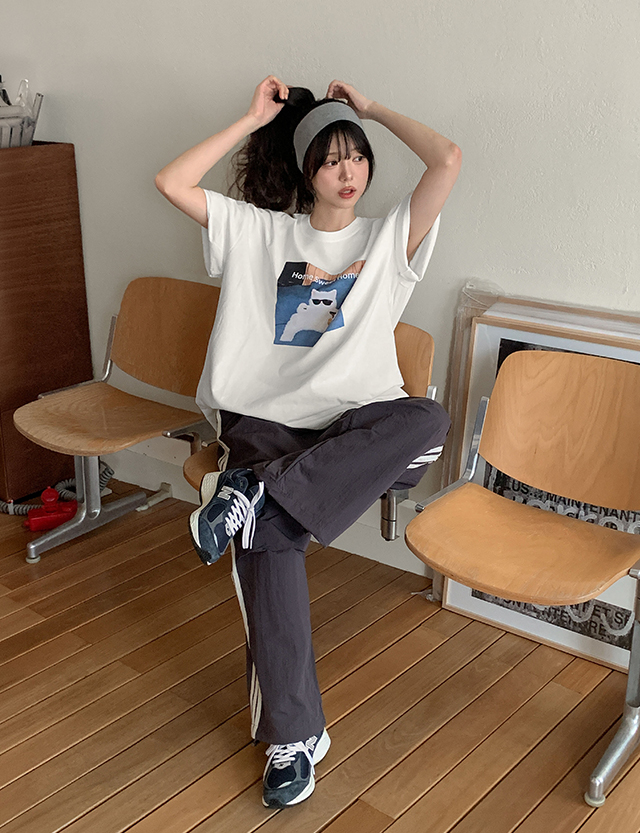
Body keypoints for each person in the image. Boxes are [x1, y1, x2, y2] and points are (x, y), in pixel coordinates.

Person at [155, 75, 461, 809]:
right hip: (262, 424)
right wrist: (250, 118)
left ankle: (254, 495)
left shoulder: (387, 238)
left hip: (347, 428)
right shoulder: (260, 231)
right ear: (306, 171)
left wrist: (371, 108)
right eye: (329, 159)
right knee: (271, 539)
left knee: (427, 419)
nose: (347, 171)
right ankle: (292, 737)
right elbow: (171, 181)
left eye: (357, 156)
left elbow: (448, 158)